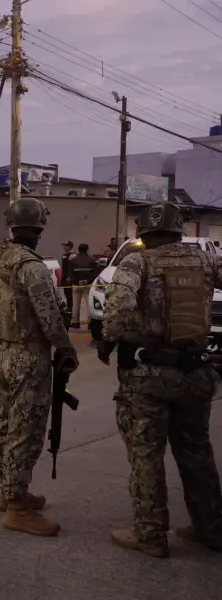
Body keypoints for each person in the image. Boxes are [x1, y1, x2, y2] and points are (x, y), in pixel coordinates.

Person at [99, 202, 222, 558]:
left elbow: (116, 312)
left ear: (144, 233)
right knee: (197, 451)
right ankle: (210, 528)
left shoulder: (138, 261)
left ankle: (151, 535)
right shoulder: (205, 260)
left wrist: (113, 337)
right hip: (195, 372)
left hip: (149, 375)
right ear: (178, 230)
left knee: (146, 453)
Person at [0, 197, 78, 537]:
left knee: (7, 425)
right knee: (26, 431)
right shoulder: (32, 267)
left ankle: (9, 492)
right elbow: (49, 315)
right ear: (39, 229)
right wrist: (65, 348)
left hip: (4, 353)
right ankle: (17, 507)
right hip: (30, 357)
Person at [69, 243, 98, 329]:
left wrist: (77, 281)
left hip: (76, 285)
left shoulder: (73, 260)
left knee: (75, 304)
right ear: (87, 249)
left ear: (78, 249)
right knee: (89, 304)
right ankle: (90, 322)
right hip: (88, 285)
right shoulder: (92, 260)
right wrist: (87, 280)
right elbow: (95, 273)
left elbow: (71, 274)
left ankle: (75, 322)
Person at [60, 241, 75, 315]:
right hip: (64, 277)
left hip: (68, 278)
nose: (64, 247)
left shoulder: (72, 255)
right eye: (64, 245)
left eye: (66, 245)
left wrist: (70, 276)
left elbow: (71, 267)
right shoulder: (64, 255)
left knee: (69, 295)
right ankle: (68, 308)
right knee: (66, 294)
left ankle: (71, 309)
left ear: (70, 246)